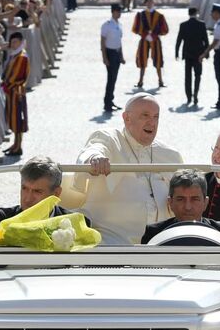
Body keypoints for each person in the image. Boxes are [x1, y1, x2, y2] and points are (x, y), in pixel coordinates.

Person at [75, 93, 183, 244]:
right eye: (145, 115)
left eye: (156, 117)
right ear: (126, 118)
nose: (152, 122)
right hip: (113, 238)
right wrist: (95, 159)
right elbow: (93, 149)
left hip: (160, 240)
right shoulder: (110, 138)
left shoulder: (169, 153)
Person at [141, 169, 220, 244]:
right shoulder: (153, 233)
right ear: (170, 202)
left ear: (205, 203)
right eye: (180, 199)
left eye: (195, 199)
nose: (188, 207)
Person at [0, 157, 87, 230]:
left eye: (37, 191)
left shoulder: (77, 224)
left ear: (56, 193)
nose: (28, 199)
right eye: (24, 188)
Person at [1, 32, 30, 157]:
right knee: (13, 119)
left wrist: (6, 83)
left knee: (18, 119)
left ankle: (18, 146)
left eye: (15, 42)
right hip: (11, 91)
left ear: (20, 42)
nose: (13, 44)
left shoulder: (21, 57)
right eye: (11, 42)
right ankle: (15, 144)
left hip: (16, 91)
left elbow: (16, 75)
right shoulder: (14, 54)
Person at [132, 0, 169, 89]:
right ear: (145, 3)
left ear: (153, 3)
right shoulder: (140, 15)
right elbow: (136, 28)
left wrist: (154, 35)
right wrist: (145, 35)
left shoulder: (159, 16)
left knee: (158, 60)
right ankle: (140, 81)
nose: (149, 3)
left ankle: (160, 81)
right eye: (148, 2)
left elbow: (164, 29)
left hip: (155, 40)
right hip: (144, 39)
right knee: (142, 60)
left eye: (151, 2)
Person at [101, 3, 126, 113]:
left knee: (114, 79)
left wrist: (121, 56)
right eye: (118, 11)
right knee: (110, 79)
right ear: (113, 12)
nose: (119, 13)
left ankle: (111, 100)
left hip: (116, 53)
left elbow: (119, 41)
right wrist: (105, 57)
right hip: (110, 53)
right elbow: (102, 41)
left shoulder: (119, 25)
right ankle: (107, 103)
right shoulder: (107, 25)